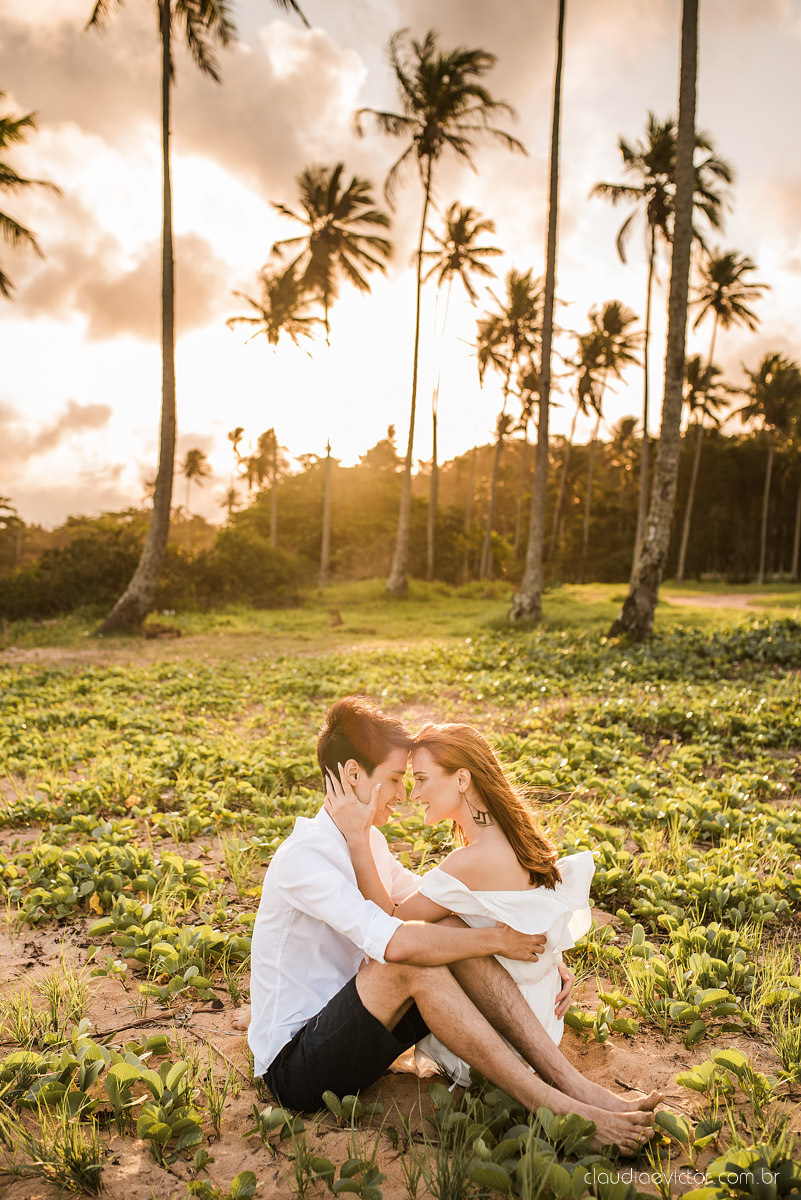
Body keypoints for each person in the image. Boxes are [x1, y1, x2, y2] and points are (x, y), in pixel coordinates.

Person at [248, 695, 659, 1155]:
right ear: (352, 776)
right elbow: (396, 942)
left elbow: (436, 904)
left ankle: (576, 1087)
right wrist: (498, 938)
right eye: (396, 779)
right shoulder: (305, 857)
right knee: (414, 958)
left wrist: (545, 954)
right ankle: (555, 1108)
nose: (404, 795)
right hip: (297, 1066)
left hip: (360, 1032)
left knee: (449, 926)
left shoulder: (371, 842)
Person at [324, 720, 595, 1088]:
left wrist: (357, 840)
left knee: (426, 942)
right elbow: (525, 907)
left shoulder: (472, 861)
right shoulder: (510, 836)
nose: (414, 794)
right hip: (541, 1017)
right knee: (444, 932)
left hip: (506, 1040)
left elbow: (390, 926)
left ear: (462, 780)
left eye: (421, 779)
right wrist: (554, 962)